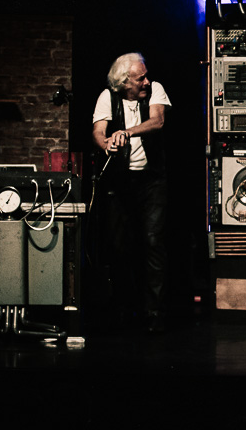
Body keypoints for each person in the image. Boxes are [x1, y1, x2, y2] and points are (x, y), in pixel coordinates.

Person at [92, 52, 171, 332]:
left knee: (153, 242)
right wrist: (107, 144)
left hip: (151, 181)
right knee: (118, 245)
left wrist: (126, 132)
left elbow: (157, 121)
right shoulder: (107, 97)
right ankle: (123, 310)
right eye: (140, 79)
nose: (146, 82)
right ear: (125, 82)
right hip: (120, 181)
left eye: (146, 77)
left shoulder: (156, 89)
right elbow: (98, 131)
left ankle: (154, 313)